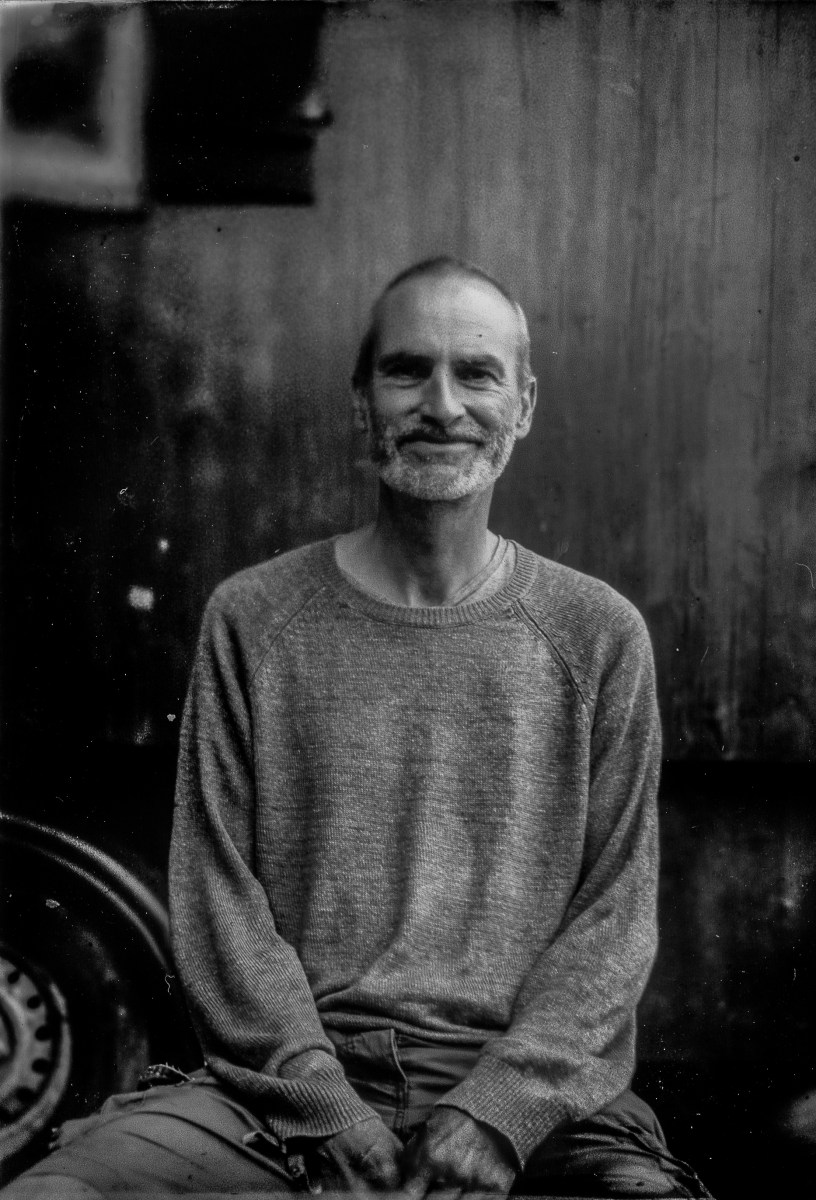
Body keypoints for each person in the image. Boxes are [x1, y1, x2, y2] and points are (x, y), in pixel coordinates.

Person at [4, 258, 712, 1198]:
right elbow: (218, 897)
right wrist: (322, 1104)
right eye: (407, 370)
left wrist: (496, 1112)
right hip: (281, 1089)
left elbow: (613, 920)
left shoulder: (595, 633)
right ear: (360, 400)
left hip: (529, 1097)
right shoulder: (254, 618)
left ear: (524, 404)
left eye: (477, 374)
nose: (442, 405)